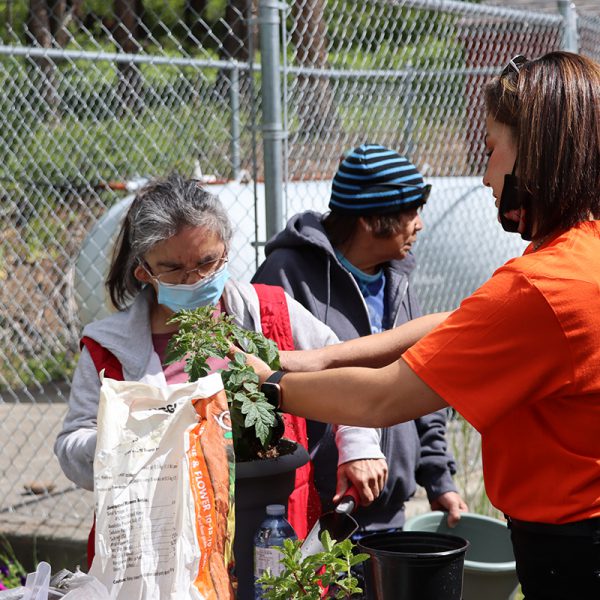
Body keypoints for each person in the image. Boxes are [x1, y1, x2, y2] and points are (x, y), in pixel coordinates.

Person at [242, 52, 600, 600]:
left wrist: (266, 386)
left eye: (490, 150)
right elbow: (461, 323)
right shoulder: (582, 257)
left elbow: (384, 399)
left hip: (573, 550)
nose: (485, 176)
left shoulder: (543, 287)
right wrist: (317, 358)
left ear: (537, 152)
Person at [54, 174, 385, 568]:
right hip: (161, 553)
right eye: (174, 269)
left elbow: (342, 365)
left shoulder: (268, 314)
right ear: (143, 270)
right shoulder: (108, 348)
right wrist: (129, 441)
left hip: (270, 532)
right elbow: (72, 443)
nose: (195, 279)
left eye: (208, 261)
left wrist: (360, 447)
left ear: (226, 250)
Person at [252, 143, 466, 532]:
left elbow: (426, 378)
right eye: (411, 213)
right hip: (318, 512)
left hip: (389, 510)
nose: (420, 224)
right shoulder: (286, 277)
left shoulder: (397, 279)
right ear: (371, 220)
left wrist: (438, 476)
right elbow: (266, 391)